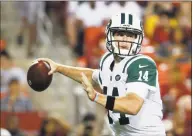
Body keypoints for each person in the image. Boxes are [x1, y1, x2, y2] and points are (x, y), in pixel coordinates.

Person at [36, 12, 166, 136]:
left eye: (131, 35)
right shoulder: (108, 61)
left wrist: (97, 97)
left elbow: (132, 105)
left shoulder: (142, 64)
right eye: (120, 34)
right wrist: (58, 67)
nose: (126, 40)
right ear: (110, 36)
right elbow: (93, 76)